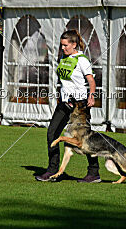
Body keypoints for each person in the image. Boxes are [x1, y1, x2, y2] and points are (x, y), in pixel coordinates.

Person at [35, 30, 100, 183]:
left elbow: (91, 81)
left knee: (85, 140)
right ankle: (53, 171)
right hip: (65, 104)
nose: (62, 48)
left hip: (80, 105)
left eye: (65, 45)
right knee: (52, 133)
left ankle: (94, 173)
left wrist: (91, 95)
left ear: (74, 44)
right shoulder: (63, 57)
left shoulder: (82, 60)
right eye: (61, 45)